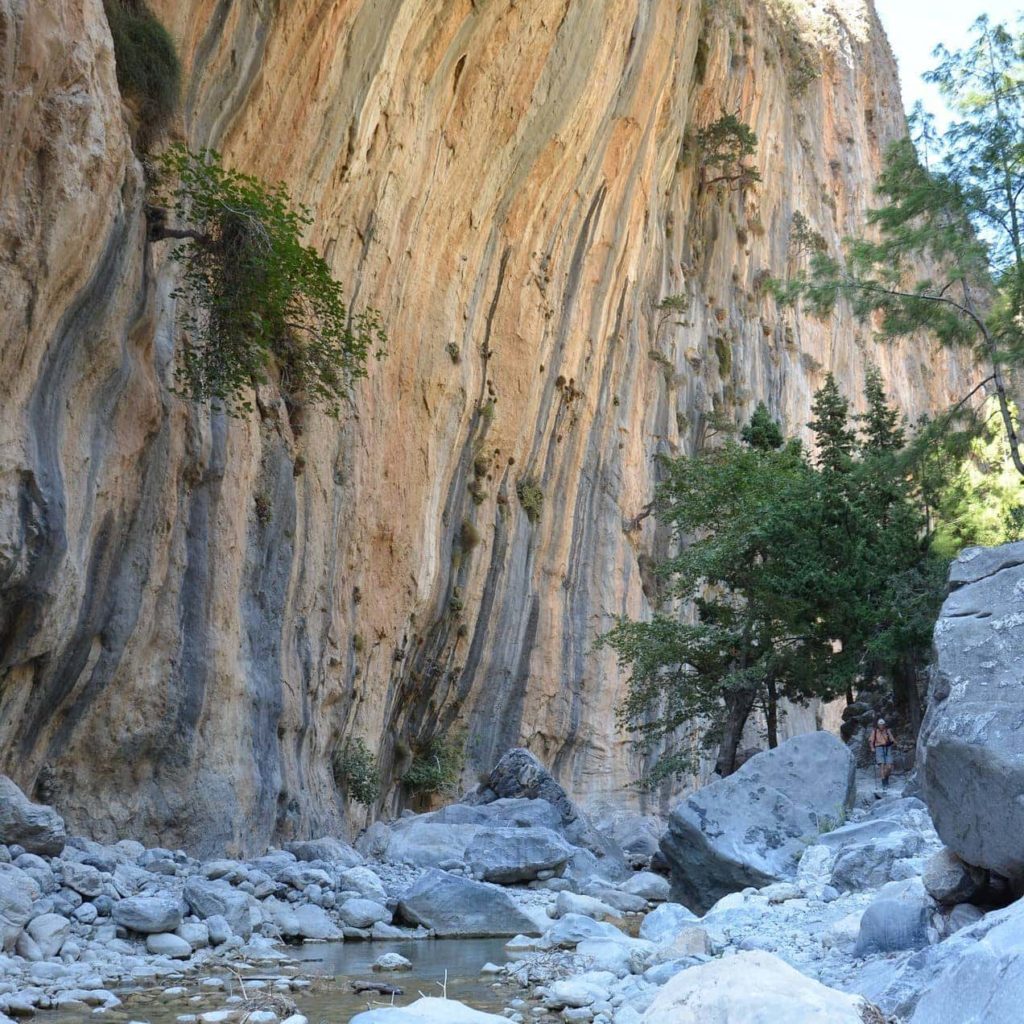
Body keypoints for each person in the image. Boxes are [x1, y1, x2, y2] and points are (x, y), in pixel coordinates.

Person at [869, 718, 895, 789]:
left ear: (884, 725)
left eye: (882, 725)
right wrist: (872, 748)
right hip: (879, 748)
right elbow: (871, 741)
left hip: (887, 748)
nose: (881, 726)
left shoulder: (887, 731)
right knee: (882, 766)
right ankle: (884, 782)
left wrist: (893, 741)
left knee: (889, 767)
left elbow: (892, 739)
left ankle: (886, 778)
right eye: (880, 725)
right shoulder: (874, 731)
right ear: (878, 725)